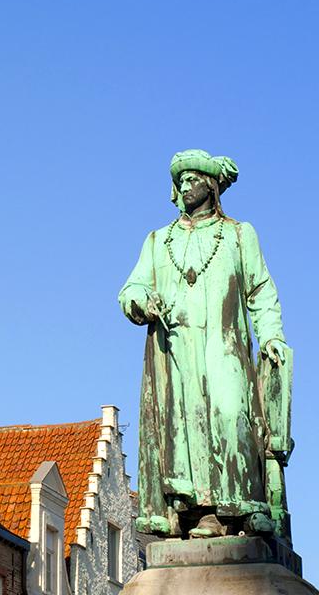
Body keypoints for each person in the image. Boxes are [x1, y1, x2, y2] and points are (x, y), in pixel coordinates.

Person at [119, 149, 288, 538]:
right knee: (186, 427)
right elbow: (131, 289)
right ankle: (202, 515)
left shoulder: (239, 235)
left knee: (232, 414)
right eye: (180, 181)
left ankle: (246, 507)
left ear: (211, 185)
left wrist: (271, 335)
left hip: (224, 346)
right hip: (176, 352)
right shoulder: (158, 241)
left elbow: (261, 291)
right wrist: (143, 301)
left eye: (193, 179)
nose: (185, 187)